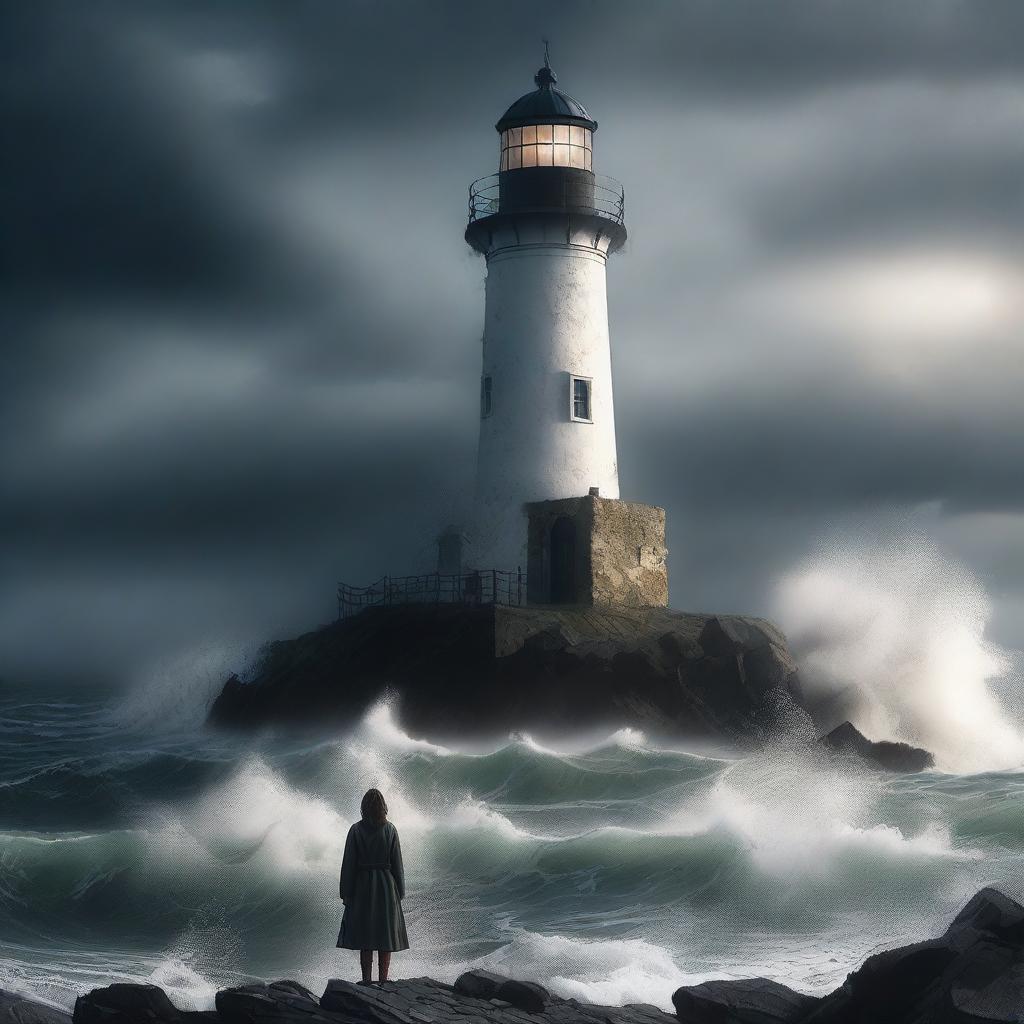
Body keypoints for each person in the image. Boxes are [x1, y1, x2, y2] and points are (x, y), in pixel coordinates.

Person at [337, 788, 409, 984]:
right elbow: (397, 864)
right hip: (386, 886)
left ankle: (366, 980)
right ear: (383, 807)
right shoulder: (391, 829)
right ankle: (384, 980)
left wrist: (346, 893)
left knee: (365, 936)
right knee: (385, 935)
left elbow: (349, 864)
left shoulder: (355, 830)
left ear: (363, 808)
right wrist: (400, 892)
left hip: (362, 887)